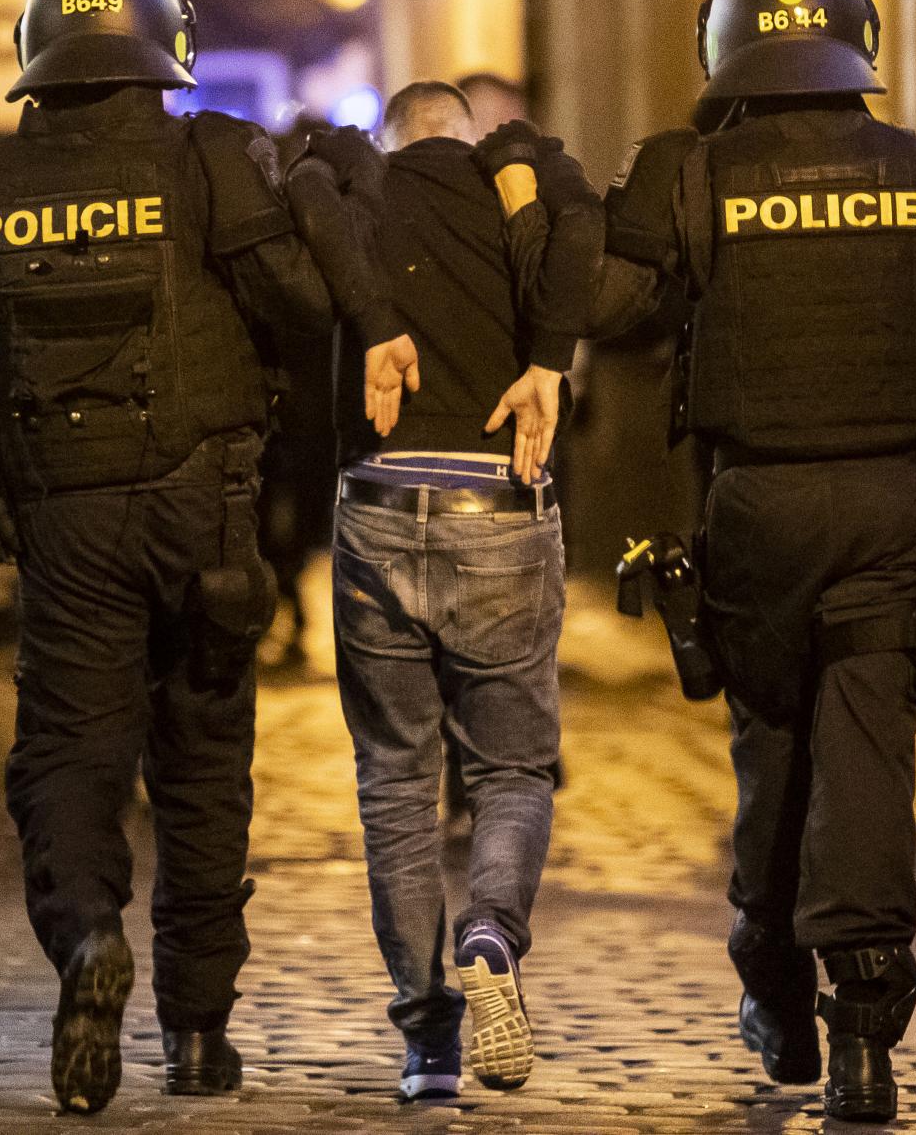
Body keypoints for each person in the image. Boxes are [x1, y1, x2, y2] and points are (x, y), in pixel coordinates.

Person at [0, 0, 410, 1115]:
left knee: (68, 753)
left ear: (36, 58)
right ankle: (199, 1034)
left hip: (63, 519)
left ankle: (85, 933)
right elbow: (302, 305)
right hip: (205, 509)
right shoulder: (210, 157)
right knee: (203, 763)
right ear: (163, 49)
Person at [587, 0, 916, 1124]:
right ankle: (863, 1017)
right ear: (861, 40)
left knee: (777, 749)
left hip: (759, 511)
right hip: (895, 501)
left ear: (722, 49)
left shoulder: (698, 175)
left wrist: (621, 198)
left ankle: (774, 988)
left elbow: (610, 312)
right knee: (868, 752)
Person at [282, 79, 601, 1103]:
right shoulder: (515, 194)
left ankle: (428, 1039)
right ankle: (491, 929)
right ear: (470, 136)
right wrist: (529, 153)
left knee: (394, 780)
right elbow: (587, 231)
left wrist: (340, 159)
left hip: (379, 503)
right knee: (512, 769)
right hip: (499, 504)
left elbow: (304, 188)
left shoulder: (361, 194)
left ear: (393, 136)